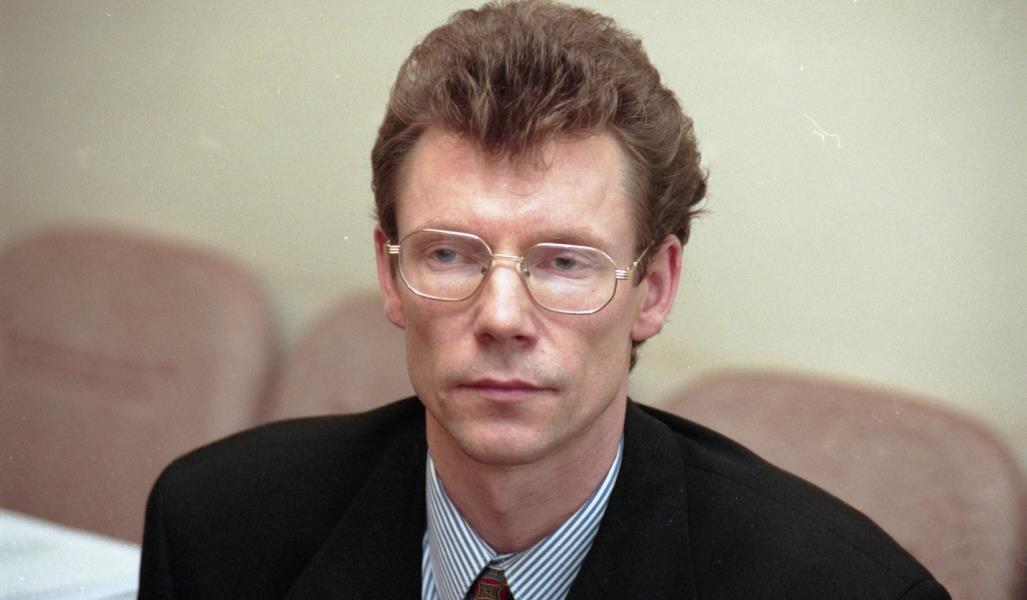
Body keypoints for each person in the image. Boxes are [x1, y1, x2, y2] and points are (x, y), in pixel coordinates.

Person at [138, 1, 950, 598]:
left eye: (564, 262)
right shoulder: (215, 524)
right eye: (448, 254)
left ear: (653, 288)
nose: (500, 317)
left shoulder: (846, 589)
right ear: (390, 277)